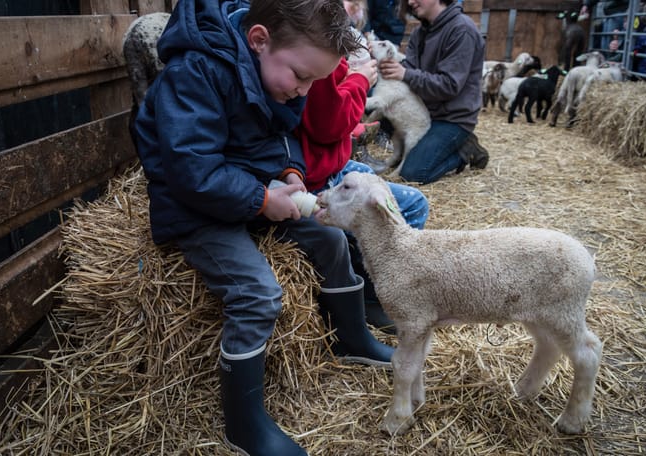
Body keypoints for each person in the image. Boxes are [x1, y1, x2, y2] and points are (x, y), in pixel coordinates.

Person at [131, 0, 394, 454]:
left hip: (250, 193)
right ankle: (244, 422)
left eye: (313, 80)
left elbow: (280, 136)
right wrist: (261, 199)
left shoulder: (273, 73)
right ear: (258, 40)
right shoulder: (195, 73)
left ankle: (351, 338)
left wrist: (290, 173)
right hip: (195, 210)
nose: (303, 90)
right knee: (258, 293)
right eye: (301, 77)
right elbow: (192, 170)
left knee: (331, 238)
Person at [296, 46, 430, 332]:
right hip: (318, 173)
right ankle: (372, 297)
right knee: (390, 204)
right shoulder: (316, 55)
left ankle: (387, 291)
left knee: (411, 199)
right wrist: (358, 81)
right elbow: (327, 124)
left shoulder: (322, 51)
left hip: (335, 162)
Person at [377, 0, 488, 184]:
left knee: (413, 174)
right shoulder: (419, 32)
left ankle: (464, 151)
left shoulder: (462, 30)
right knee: (380, 115)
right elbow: (410, 73)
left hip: (451, 117)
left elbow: (450, 85)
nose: (410, 2)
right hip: (424, 110)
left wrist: (405, 73)